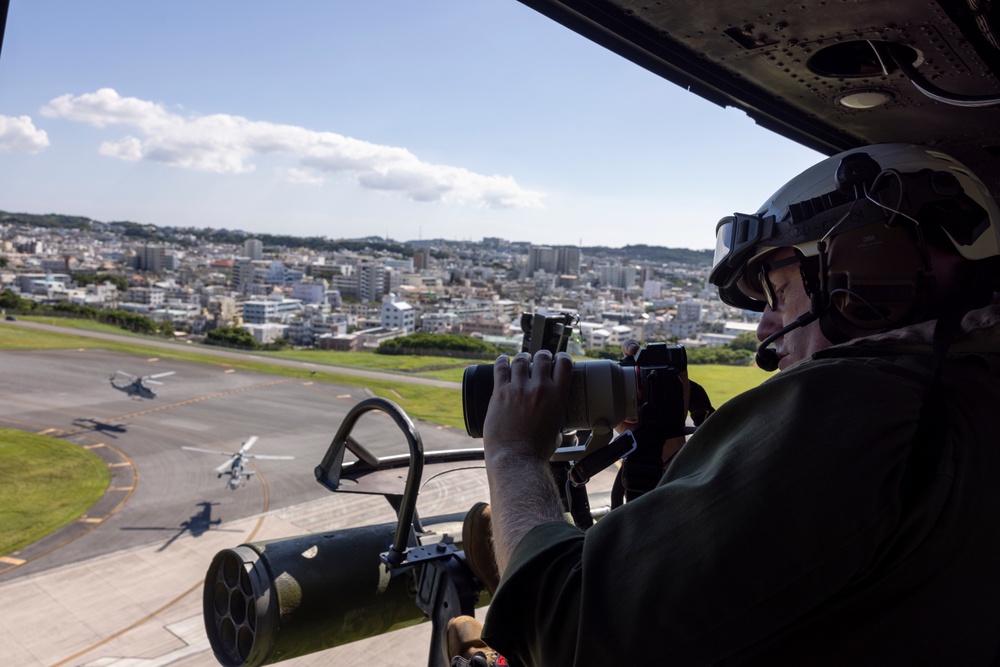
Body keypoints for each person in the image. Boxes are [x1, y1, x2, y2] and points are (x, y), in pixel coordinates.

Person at [458, 144, 1000, 666]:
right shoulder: (965, 390)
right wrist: (685, 465)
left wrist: (514, 452)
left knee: (469, 639)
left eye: (778, 292)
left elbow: (567, 634)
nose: (765, 326)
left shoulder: (857, 403)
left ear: (871, 272)